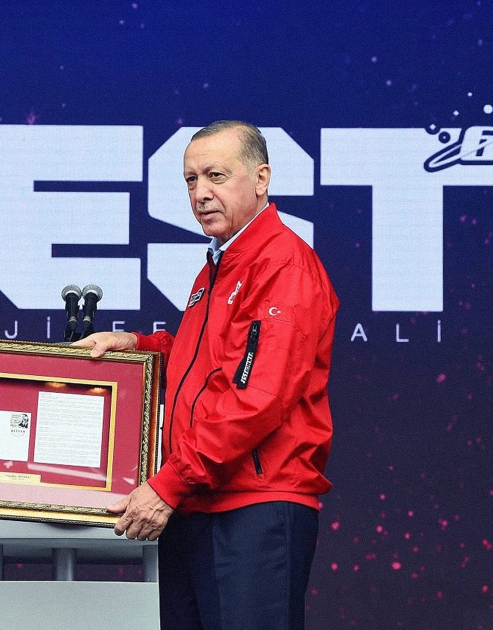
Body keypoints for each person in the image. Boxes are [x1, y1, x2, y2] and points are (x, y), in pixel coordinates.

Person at [75, 120, 339, 630]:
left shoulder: (283, 264)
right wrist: (139, 349)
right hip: (198, 503)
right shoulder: (220, 265)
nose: (200, 193)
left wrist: (168, 483)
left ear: (261, 178)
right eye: (191, 180)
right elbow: (211, 364)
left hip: (252, 509)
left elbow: (256, 398)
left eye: (216, 175)